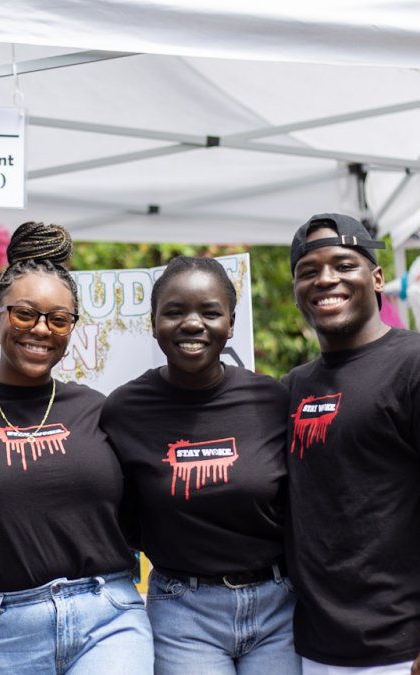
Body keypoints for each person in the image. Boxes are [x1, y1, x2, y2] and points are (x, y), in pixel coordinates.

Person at [0, 222, 153, 674]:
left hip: (106, 621)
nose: (41, 329)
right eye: (24, 314)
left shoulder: (99, 410)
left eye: (59, 319)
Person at [281, 213, 420, 675]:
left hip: (413, 652)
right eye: (308, 271)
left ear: (377, 277)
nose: (325, 279)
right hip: (316, 653)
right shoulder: (292, 387)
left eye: (343, 265)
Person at [102, 256, 296, 674]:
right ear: (153, 323)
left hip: (279, 606)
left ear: (230, 323)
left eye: (210, 312)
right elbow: (116, 508)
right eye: (174, 312)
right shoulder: (124, 410)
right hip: (182, 612)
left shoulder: (272, 400)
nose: (193, 324)